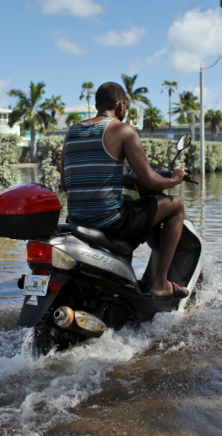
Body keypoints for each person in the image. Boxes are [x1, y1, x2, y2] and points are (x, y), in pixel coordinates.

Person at [60, 81, 188, 299]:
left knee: (127, 198)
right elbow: (151, 182)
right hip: (109, 220)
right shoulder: (122, 129)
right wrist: (175, 179)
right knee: (176, 205)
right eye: (126, 107)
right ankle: (160, 283)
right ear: (120, 106)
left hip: (76, 219)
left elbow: (65, 183)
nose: (125, 111)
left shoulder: (71, 132)